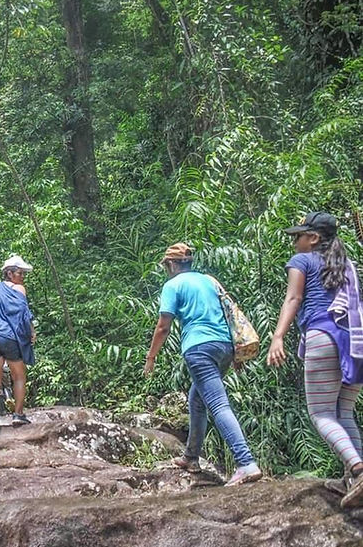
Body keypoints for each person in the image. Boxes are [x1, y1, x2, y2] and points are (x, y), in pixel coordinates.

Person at [144, 243, 262, 486]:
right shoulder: (209, 280)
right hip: (224, 347)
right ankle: (191, 457)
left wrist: (151, 357)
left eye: (167, 265)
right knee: (197, 400)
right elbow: (229, 313)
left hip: (199, 348)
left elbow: (163, 326)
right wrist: (236, 354)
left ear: (172, 264)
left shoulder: (173, 285)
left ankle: (246, 463)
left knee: (218, 405)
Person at [267, 212, 363, 508]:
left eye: (298, 235)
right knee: (343, 412)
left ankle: (359, 471)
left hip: (323, 337)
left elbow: (293, 299)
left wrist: (278, 336)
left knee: (321, 413)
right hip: (356, 341)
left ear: (314, 238)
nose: (294, 241)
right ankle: (352, 478)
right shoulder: (348, 265)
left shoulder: (302, 262)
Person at [0, 255, 36, 431]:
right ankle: (18, 415)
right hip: (9, 336)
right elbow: (23, 314)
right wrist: (31, 332)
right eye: (20, 273)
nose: (23, 276)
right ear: (9, 273)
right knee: (18, 375)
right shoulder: (19, 289)